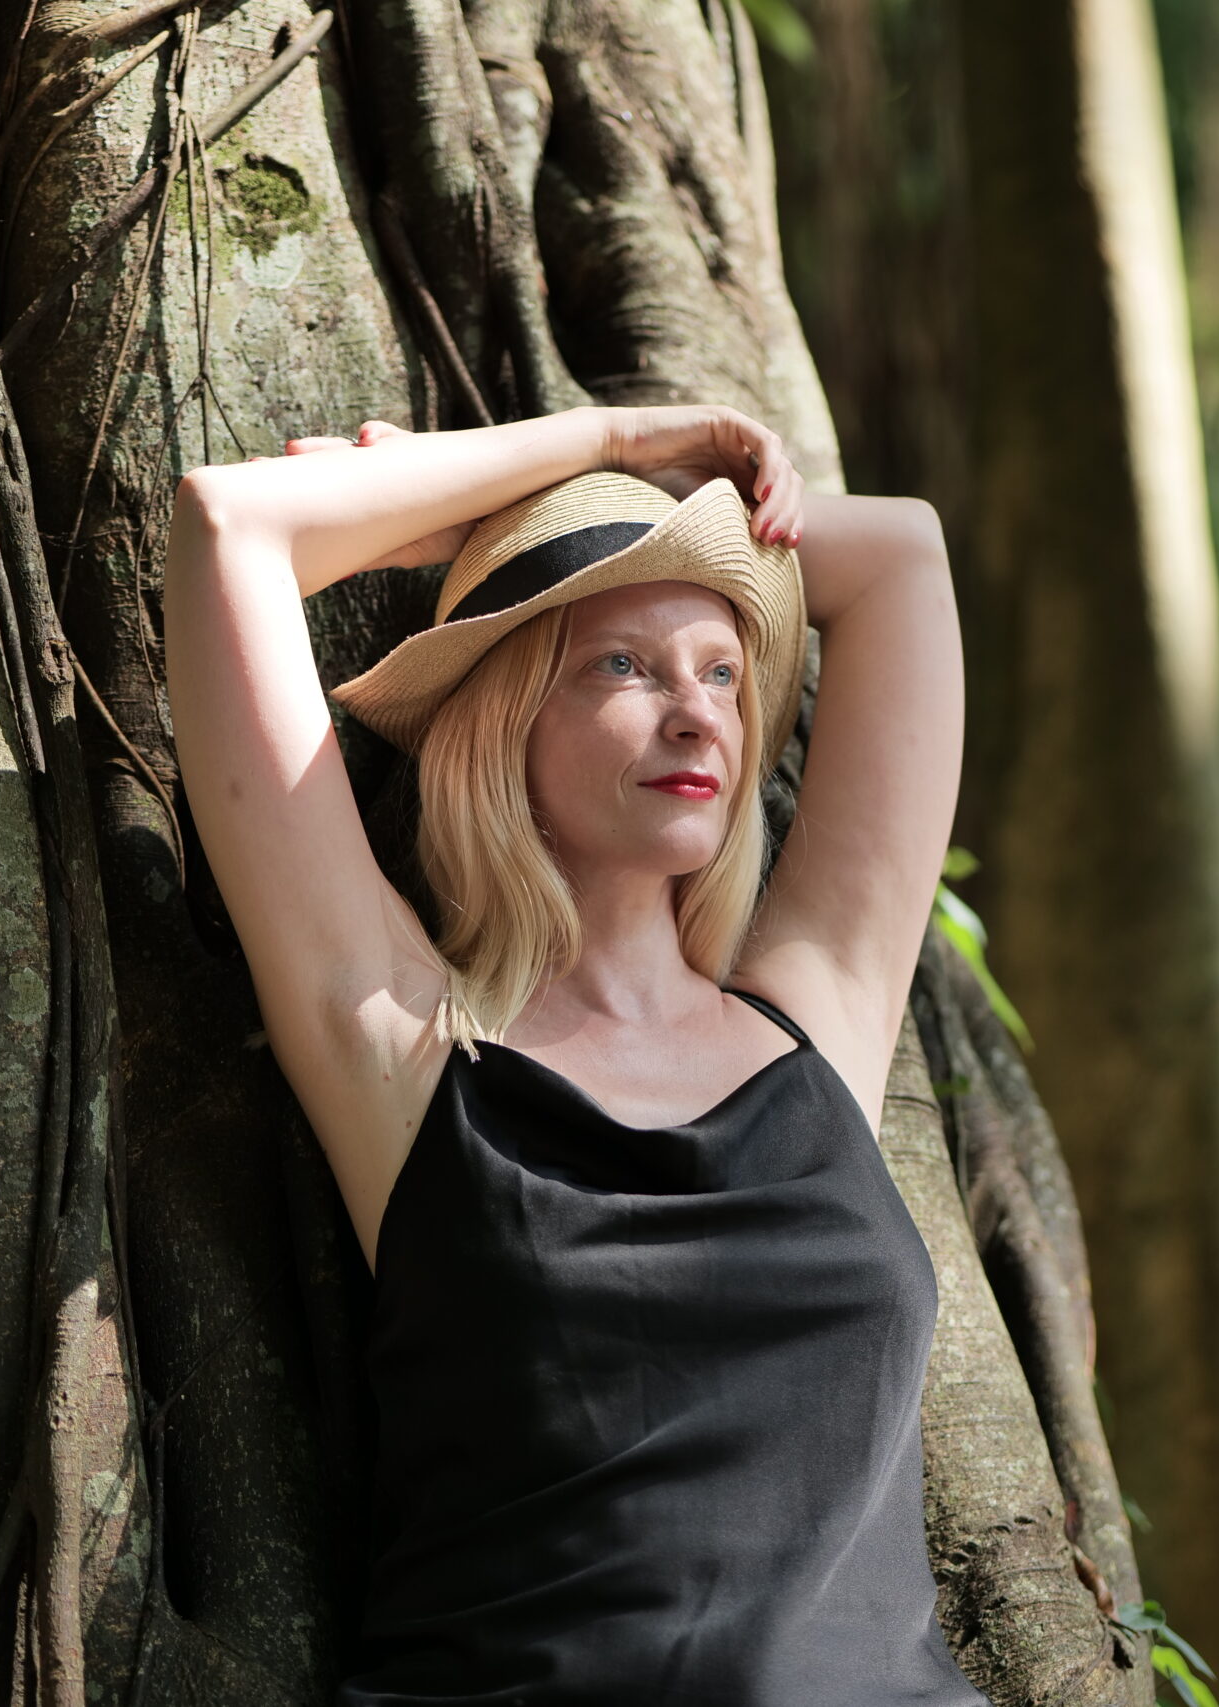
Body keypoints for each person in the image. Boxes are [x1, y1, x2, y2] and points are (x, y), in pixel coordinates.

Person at [163, 402, 982, 1704]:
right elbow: (229, 531)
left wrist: (639, 508)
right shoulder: (408, 1051)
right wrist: (606, 444)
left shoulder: (816, 1029)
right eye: (624, 667)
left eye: (722, 671)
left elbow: (900, 559)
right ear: (506, 715)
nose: (696, 714)